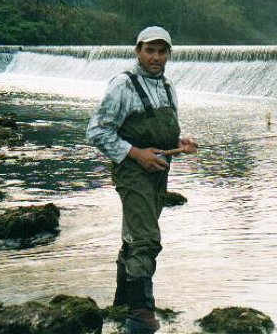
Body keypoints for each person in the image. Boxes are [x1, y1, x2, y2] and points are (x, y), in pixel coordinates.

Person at [87, 26, 198, 334]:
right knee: (146, 240)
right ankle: (141, 317)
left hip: (160, 171)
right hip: (131, 171)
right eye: (150, 50)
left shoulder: (168, 86)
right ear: (138, 51)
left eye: (162, 52)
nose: (156, 57)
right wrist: (136, 153)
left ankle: (122, 301)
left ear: (168, 55)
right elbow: (96, 132)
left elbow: (165, 132)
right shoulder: (122, 84)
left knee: (134, 237)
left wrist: (182, 143)